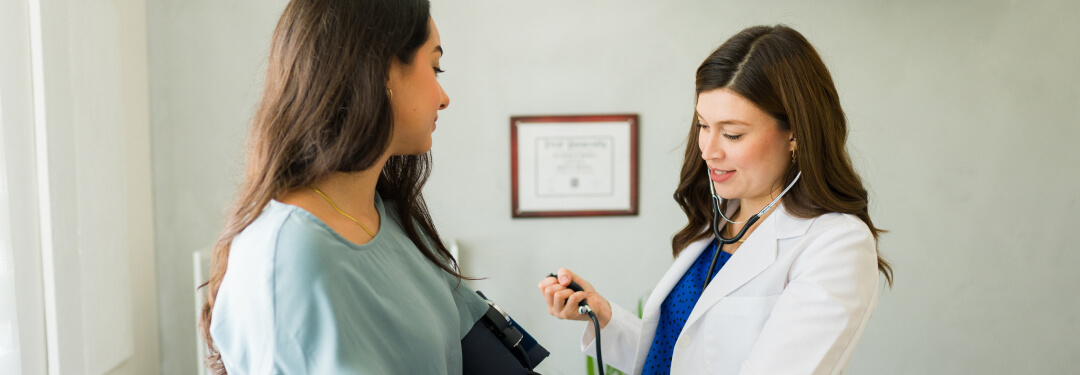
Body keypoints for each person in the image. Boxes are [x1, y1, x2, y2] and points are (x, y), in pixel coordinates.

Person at [539, 25, 893, 375]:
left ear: (795, 134)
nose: (708, 151)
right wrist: (604, 316)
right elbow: (677, 355)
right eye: (703, 126)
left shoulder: (836, 244)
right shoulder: (719, 222)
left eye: (732, 134)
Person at [198, 0, 491, 374]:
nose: (443, 96)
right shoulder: (288, 253)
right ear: (382, 70)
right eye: (435, 67)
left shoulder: (393, 220)